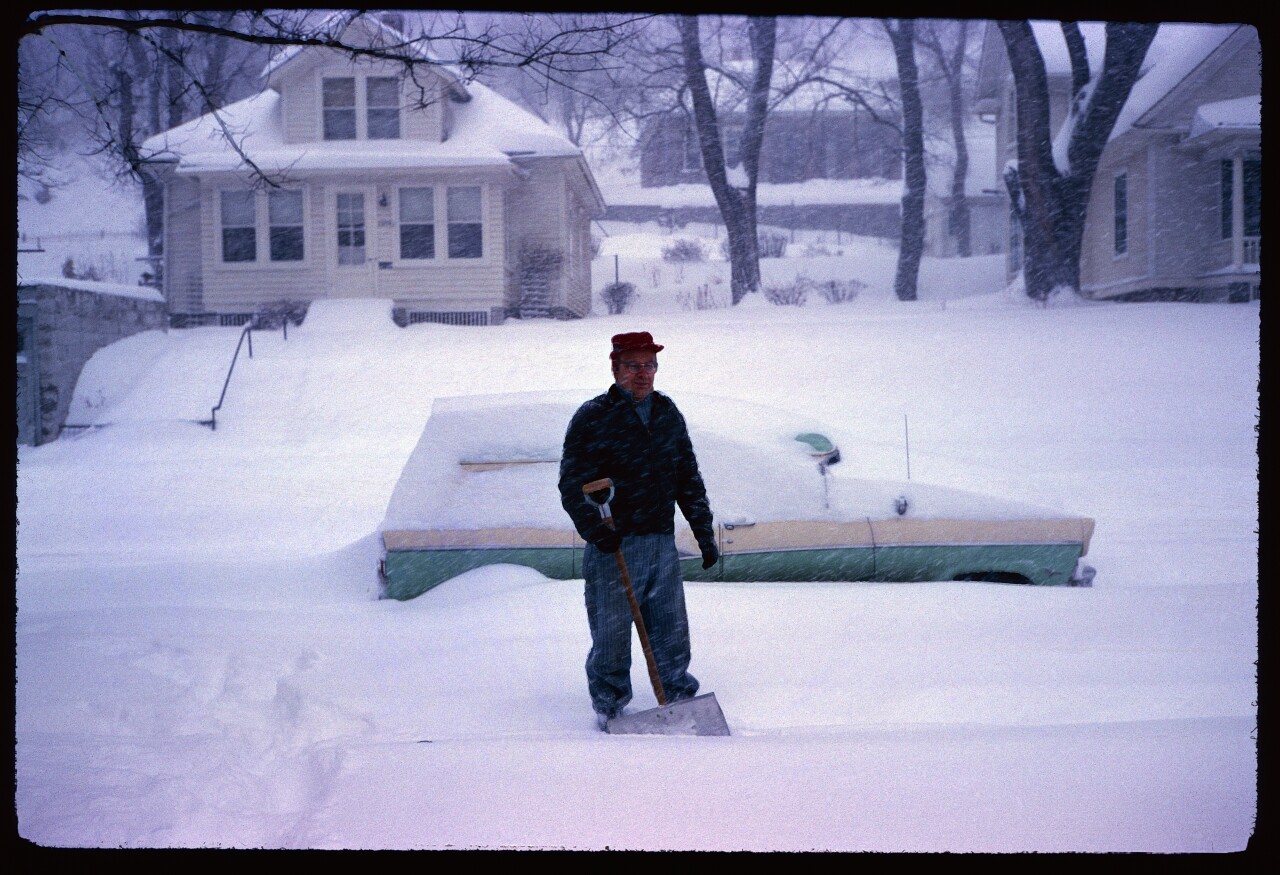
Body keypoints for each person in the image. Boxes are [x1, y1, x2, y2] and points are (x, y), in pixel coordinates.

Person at [558, 331, 719, 730]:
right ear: (615, 368)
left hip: (660, 541)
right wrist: (596, 531)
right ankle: (610, 709)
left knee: (670, 629)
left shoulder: (667, 413)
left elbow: (687, 477)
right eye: (633, 366)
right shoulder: (593, 416)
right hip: (614, 544)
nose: (643, 374)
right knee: (611, 635)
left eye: (649, 365)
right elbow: (571, 483)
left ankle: (679, 698)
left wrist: (702, 530)